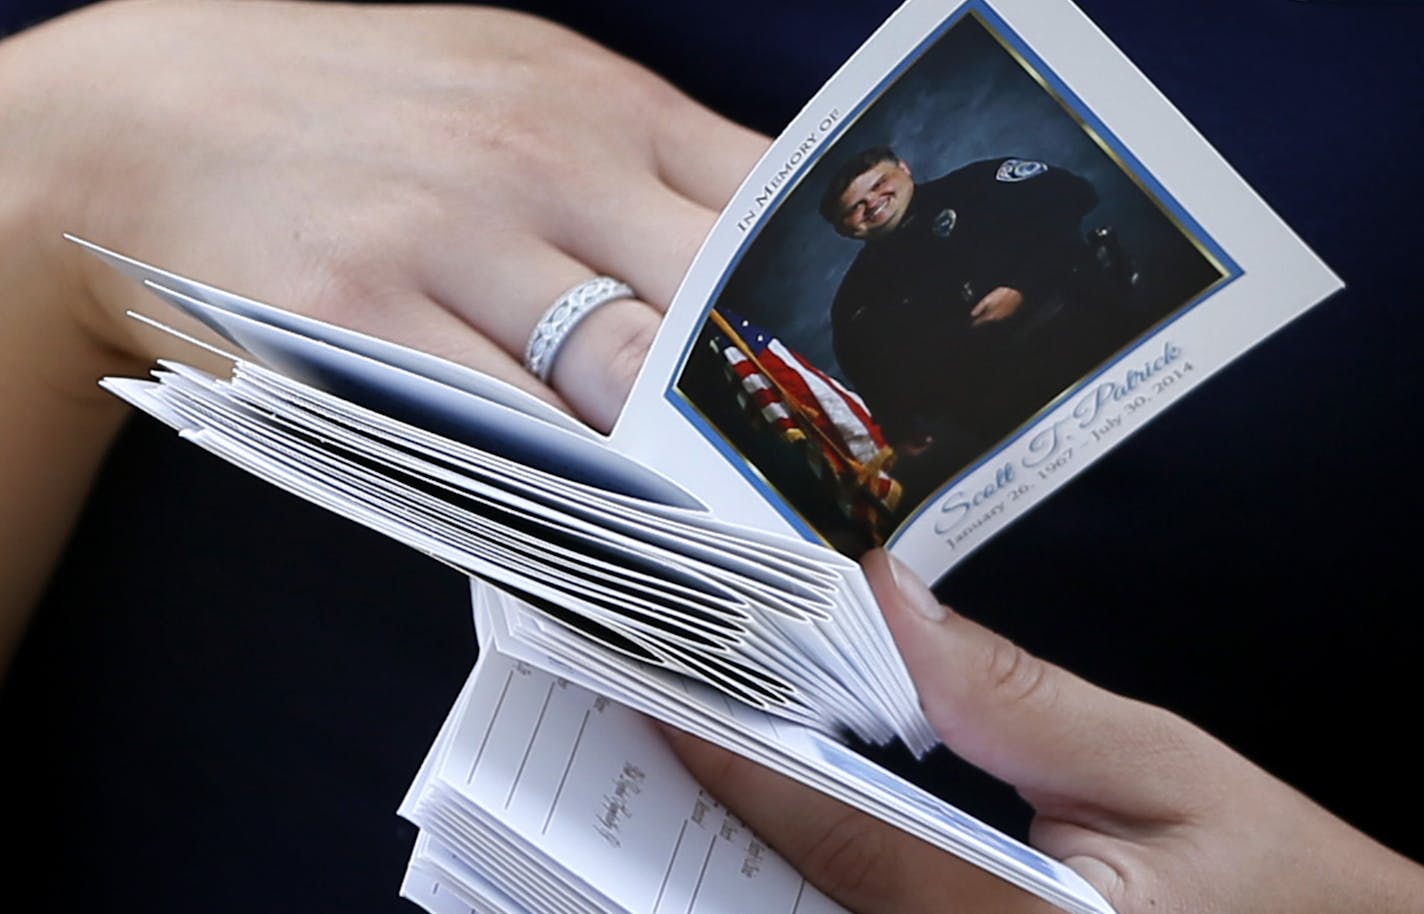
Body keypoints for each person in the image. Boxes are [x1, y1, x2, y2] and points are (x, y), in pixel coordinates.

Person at [1, 1, 1421, 913]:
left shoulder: (1015, 198)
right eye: (854, 202)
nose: (868, 200)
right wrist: (74, 146)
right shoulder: (864, 307)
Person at [821, 146, 1130, 480]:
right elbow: (866, 368)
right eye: (854, 207)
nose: (872, 203)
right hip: (1004, 410)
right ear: (844, 229)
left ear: (905, 168)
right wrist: (898, 425)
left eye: (879, 183)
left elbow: (1073, 193)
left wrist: (1022, 287)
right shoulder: (856, 300)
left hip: (1088, 338)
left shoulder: (975, 185)